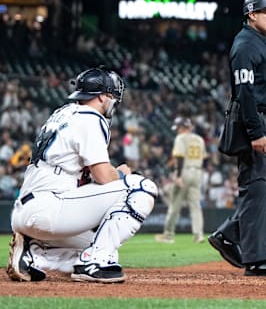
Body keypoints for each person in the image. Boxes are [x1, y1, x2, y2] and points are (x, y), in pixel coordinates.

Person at [6, 67, 157, 283]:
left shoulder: (63, 113)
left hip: (29, 208)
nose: (114, 101)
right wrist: (121, 175)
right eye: (113, 95)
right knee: (142, 188)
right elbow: (103, 176)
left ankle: (34, 256)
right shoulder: (90, 117)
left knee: (105, 247)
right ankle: (92, 263)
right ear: (103, 96)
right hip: (50, 207)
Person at [208, 0, 266, 277]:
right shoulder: (244, 44)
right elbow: (244, 93)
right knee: (255, 190)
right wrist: (255, 132)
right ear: (251, 14)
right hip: (250, 121)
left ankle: (228, 234)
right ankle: (256, 260)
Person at [155, 117, 207, 244]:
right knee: (196, 206)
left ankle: (168, 235)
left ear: (182, 127)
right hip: (198, 171)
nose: (177, 131)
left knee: (175, 205)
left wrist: (178, 176)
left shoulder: (181, 138)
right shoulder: (199, 139)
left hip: (184, 171)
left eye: (178, 128)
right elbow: (204, 158)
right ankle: (198, 235)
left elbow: (179, 157)